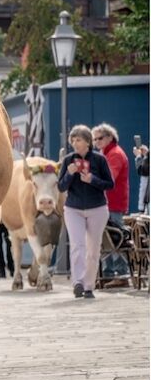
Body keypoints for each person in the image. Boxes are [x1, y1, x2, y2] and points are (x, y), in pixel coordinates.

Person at [59, 124, 115, 299]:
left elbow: (110, 184)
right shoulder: (68, 160)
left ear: (88, 142)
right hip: (73, 208)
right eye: (73, 140)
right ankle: (78, 283)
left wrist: (93, 179)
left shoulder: (99, 160)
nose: (75, 143)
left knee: (93, 250)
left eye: (79, 140)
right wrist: (69, 174)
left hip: (97, 208)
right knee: (77, 246)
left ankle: (89, 286)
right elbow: (61, 187)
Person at [94, 124, 132, 282]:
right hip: (107, 203)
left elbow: (110, 177)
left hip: (113, 203)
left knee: (116, 239)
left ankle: (121, 274)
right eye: (94, 139)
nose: (96, 142)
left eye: (100, 138)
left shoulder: (114, 154)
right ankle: (109, 274)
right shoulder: (106, 153)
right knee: (106, 240)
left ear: (110, 137)